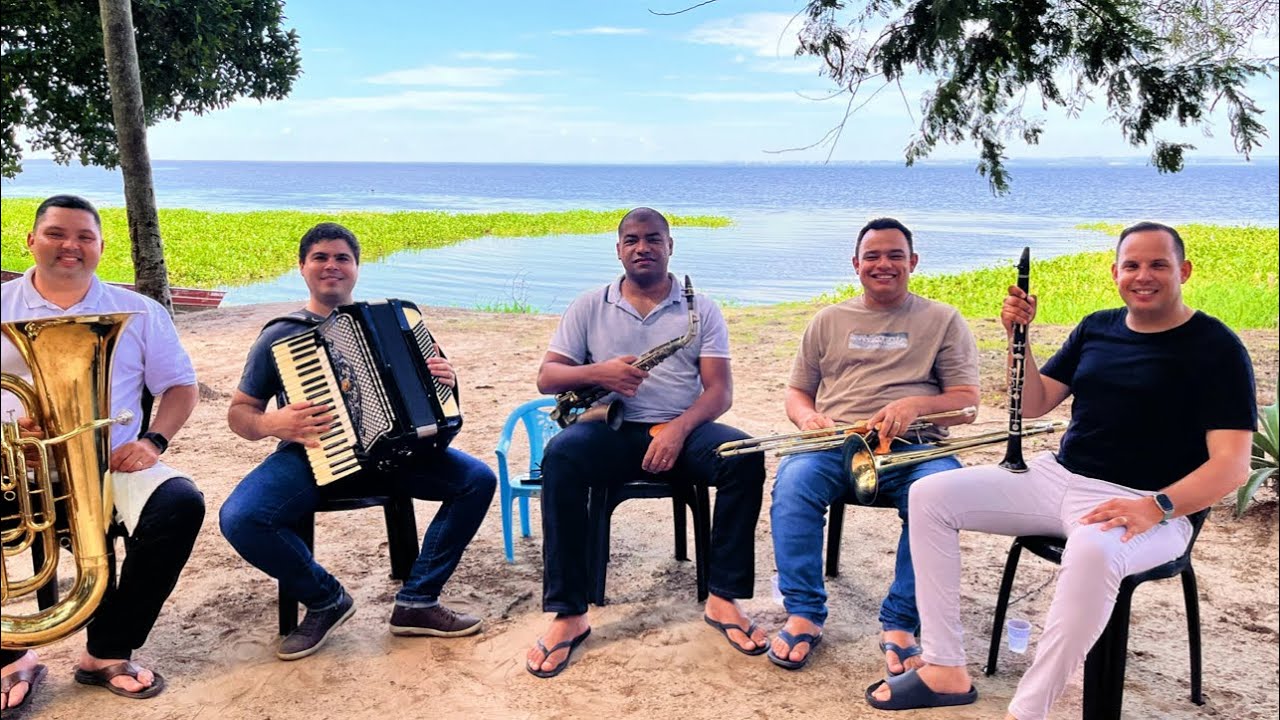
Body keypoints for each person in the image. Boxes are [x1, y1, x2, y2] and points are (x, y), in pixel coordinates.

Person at [866, 222, 1257, 718]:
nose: (1144, 275)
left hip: (1155, 505)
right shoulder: (1098, 327)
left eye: (1158, 264)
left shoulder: (1216, 348)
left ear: (1184, 270)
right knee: (930, 495)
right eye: (1132, 265)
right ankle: (945, 668)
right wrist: (1017, 340)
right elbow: (1035, 403)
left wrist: (1155, 506)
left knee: (1093, 550)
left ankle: (1029, 709)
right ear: (1115, 272)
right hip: (1060, 478)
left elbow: (1232, 465)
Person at [219, 222, 496, 660]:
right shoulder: (280, 334)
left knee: (477, 480)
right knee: (241, 517)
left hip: (392, 457)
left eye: (342, 258)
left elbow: (436, 403)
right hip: (312, 455)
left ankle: (417, 601)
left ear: (356, 268)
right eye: (321, 258)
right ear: (302, 267)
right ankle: (327, 599)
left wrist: (446, 380)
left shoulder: (395, 324)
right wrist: (274, 423)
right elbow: (240, 412)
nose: (332, 266)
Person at [525, 207, 767, 678]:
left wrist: (678, 429)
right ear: (618, 250)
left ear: (670, 246)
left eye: (653, 239)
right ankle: (569, 613)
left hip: (684, 428)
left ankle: (723, 599)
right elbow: (547, 378)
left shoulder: (702, 308)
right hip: (611, 429)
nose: (643, 248)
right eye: (632, 240)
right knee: (561, 457)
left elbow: (719, 391)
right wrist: (601, 372)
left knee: (745, 455)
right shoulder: (589, 305)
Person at [1, 194, 204, 712]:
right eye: (56, 233)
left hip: (114, 464)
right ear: (31, 240)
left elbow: (180, 387)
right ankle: (8, 655)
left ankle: (107, 650)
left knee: (180, 503)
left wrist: (153, 441)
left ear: (100, 247)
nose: (70, 245)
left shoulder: (139, 310)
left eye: (84, 237)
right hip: (16, 462)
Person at [768, 217, 980, 672]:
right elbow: (797, 391)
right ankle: (804, 612)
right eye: (873, 256)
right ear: (856, 264)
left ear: (913, 262)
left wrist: (916, 407)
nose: (883, 264)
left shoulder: (943, 320)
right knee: (792, 483)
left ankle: (902, 620)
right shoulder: (828, 319)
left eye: (894, 255)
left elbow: (967, 406)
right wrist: (807, 418)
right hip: (839, 444)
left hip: (917, 448)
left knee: (941, 493)